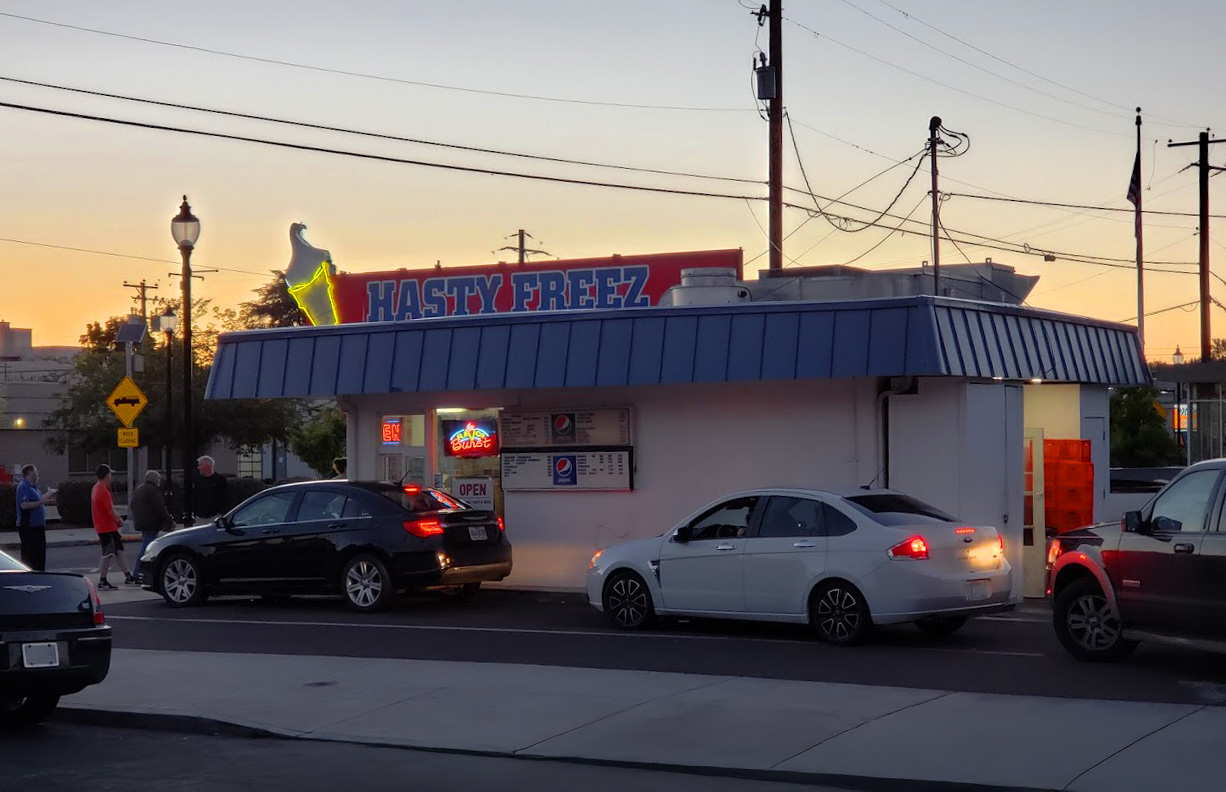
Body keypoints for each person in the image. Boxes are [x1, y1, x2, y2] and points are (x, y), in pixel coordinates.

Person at [91, 464, 134, 589]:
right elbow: (110, 511)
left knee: (119, 551)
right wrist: (119, 520)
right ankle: (102, 580)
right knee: (108, 554)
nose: (111, 476)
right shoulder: (103, 491)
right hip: (106, 528)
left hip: (105, 527)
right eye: (110, 474)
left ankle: (128, 576)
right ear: (106, 476)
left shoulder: (96, 488)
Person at [129, 470, 174, 584]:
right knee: (147, 549)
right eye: (158, 479)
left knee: (146, 546)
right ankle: (138, 573)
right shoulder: (153, 491)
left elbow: (132, 505)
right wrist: (168, 520)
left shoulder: (139, 489)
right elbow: (160, 507)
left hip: (141, 522)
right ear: (154, 479)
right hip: (151, 523)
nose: (159, 481)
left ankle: (139, 573)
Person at [15, 465, 54, 571]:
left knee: (39, 553)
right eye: (35, 472)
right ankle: (30, 574)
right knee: (30, 554)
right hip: (29, 526)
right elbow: (24, 505)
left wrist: (48, 494)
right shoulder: (24, 486)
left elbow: (40, 500)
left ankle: (40, 572)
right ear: (29, 473)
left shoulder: (34, 487)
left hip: (38, 526)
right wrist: (40, 503)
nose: (37, 474)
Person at [193, 455, 228, 521]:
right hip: (199, 517)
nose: (198, 468)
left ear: (207, 466)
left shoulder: (220, 480)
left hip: (215, 516)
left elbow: (224, 497)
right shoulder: (198, 480)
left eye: (200, 465)